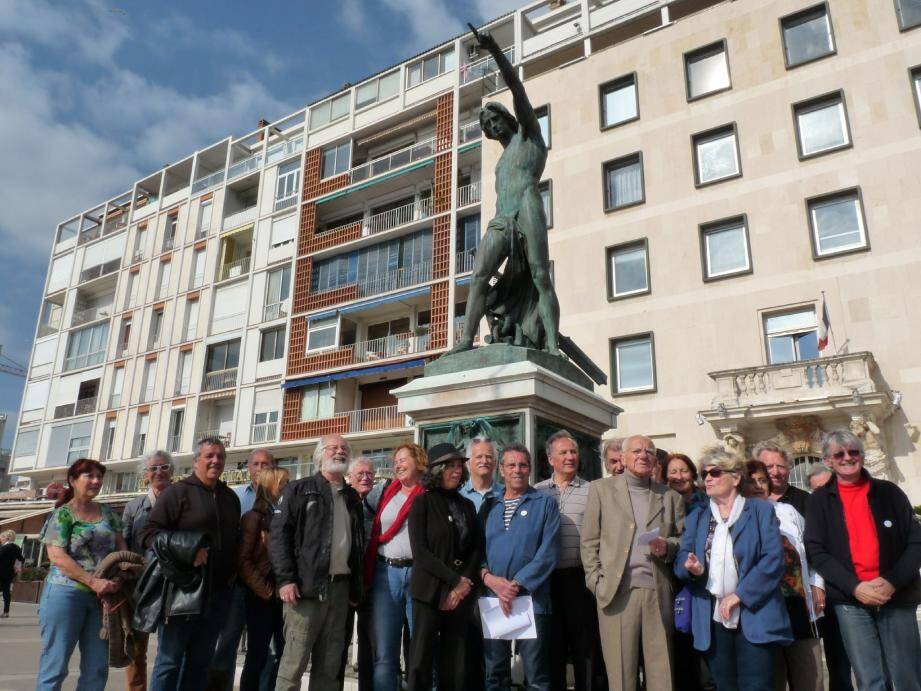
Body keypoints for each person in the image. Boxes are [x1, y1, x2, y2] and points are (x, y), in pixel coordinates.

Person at [447, 28, 560, 356]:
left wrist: (494, 48)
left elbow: (516, 87)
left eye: (495, 119)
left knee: (540, 275)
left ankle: (552, 346)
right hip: (501, 219)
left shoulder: (530, 136)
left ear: (508, 118)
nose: (492, 127)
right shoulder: (498, 164)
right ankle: (466, 339)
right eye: (486, 126)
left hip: (528, 207)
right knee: (479, 274)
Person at [805, 429, 921, 691]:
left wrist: (892, 581)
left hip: (896, 596)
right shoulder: (819, 501)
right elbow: (816, 550)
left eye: (853, 451)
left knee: (908, 678)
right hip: (851, 602)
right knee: (870, 680)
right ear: (828, 461)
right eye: (839, 454)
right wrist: (855, 586)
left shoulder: (890, 492)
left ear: (862, 455)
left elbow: (916, 542)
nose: (848, 457)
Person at [675, 449, 791, 691]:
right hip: (712, 616)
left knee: (757, 686)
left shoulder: (760, 511)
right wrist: (692, 567)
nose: (707, 478)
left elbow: (773, 560)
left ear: (736, 478)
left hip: (754, 613)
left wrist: (739, 596)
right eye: (704, 473)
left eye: (715, 473)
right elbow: (681, 560)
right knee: (725, 686)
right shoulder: (698, 517)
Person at [581, 435, 684, 691]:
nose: (643, 455)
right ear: (623, 458)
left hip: (656, 592)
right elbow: (589, 541)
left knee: (662, 674)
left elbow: (683, 540)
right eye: (636, 451)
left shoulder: (670, 497)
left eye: (649, 451)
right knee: (621, 674)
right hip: (616, 592)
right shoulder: (600, 490)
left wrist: (668, 546)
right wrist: (596, 582)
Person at [140, 437, 241, 691]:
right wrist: (188, 550)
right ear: (196, 460)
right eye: (209, 456)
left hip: (218, 595)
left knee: (200, 662)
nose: (215, 460)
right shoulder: (178, 492)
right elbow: (149, 534)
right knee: (170, 661)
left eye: (220, 456)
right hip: (182, 591)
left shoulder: (230, 497)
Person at [269, 434, 365, 691]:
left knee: (330, 666)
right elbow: (278, 537)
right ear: (320, 455)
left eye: (344, 448)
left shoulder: (352, 498)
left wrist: (355, 588)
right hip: (305, 590)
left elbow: (356, 547)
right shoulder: (299, 490)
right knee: (293, 663)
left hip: (340, 590)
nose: (340, 452)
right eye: (333, 447)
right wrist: (286, 579)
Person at [37, 458, 126, 691]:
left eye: (99, 477)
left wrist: (121, 575)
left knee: (97, 667)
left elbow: (121, 550)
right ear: (73, 480)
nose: (96, 481)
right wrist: (92, 581)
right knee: (55, 665)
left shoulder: (108, 513)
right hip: (65, 595)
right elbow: (56, 556)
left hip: (101, 599)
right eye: (90, 476)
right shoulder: (63, 515)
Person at [481, 442, 560, 690]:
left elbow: (548, 552)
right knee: (495, 673)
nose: (517, 470)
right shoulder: (489, 505)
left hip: (531, 600)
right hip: (493, 599)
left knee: (536, 674)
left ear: (530, 469)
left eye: (523, 465)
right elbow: (476, 550)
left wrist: (515, 586)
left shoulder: (545, 504)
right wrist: (491, 580)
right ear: (501, 470)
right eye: (511, 465)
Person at [406, 443, 483, 691]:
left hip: (460, 595)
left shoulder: (467, 506)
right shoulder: (422, 503)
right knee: (420, 660)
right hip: (429, 592)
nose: (457, 470)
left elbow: (475, 549)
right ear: (437, 470)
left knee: (456, 661)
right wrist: (453, 581)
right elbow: (421, 552)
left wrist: (461, 587)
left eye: (459, 465)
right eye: (450, 466)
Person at [747, 460, 825, 691]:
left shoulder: (787, 511)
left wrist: (816, 582)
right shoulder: (738, 519)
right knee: (773, 680)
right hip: (763, 613)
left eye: (763, 480)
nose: (759, 486)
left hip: (797, 607)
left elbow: (812, 550)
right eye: (752, 481)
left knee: (810, 679)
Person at [535, 430, 600, 691]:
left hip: (580, 578)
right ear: (551, 459)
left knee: (584, 647)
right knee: (552, 646)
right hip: (546, 580)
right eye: (563, 452)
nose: (570, 457)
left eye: (573, 452)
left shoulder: (593, 490)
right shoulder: (537, 492)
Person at [209, 448, 278, 690]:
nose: (260, 469)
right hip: (237, 584)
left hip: (266, 585)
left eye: (265, 464)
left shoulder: (280, 500)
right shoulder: (235, 497)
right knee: (226, 645)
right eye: (256, 464)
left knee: (266, 650)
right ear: (248, 468)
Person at [365, 443, 427, 691]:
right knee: (385, 652)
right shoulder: (383, 492)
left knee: (420, 649)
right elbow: (364, 520)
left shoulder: (429, 494)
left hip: (419, 575)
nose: (398, 465)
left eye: (404, 459)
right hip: (385, 574)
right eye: (396, 461)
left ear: (419, 461)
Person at [121, 450, 174, 691]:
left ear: (172, 472)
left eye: (164, 467)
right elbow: (123, 543)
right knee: (136, 647)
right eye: (153, 468)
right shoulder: (134, 506)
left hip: (173, 585)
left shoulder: (182, 502)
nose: (158, 472)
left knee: (170, 650)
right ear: (145, 475)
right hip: (140, 586)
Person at [238, 467, 289, 691]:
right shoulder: (253, 518)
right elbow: (244, 561)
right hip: (262, 596)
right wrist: (266, 591)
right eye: (283, 483)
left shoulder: (285, 515)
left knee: (282, 652)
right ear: (271, 487)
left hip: (283, 594)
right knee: (258, 653)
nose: (288, 487)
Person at [342, 456, 377, 691]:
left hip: (372, 586)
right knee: (339, 644)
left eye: (370, 474)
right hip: (344, 584)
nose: (366, 478)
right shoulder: (343, 502)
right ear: (350, 478)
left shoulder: (378, 504)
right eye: (360, 474)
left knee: (369, 646)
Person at [753, 442, 809, 516]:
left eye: (780, 466)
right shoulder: (748, 500)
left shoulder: (806, 500)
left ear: (788, 469)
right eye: (769, 467)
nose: (776, 472)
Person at [460, 436, 504, 514]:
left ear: (495, 463)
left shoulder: (506, 493)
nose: (484, 461)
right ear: (468, 463)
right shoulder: (459, 496)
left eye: (489, 457)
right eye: (479, 457)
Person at [0, 529, 23, 618]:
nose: (1, 539)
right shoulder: (17, 547)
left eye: (2, 537)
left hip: (0, 572)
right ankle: (6, 612)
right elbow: (21, 559)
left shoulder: (4, 548)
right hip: (9, 573)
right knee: (6, 591)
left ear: (7, 538)